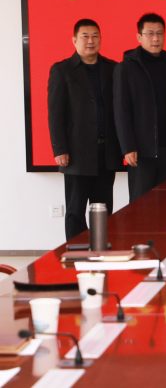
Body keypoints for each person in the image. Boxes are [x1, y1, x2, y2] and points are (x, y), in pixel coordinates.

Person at [47, 19, 120, 240]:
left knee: (103, 209)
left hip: (106, 152)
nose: (90, 41)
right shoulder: (62, 70)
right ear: (74, 40)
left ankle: (101, 249)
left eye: (95, 36)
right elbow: (56, 113)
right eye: (85, 36)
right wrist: (60, 148)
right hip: (76, 154)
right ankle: (76, 253)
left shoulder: (112, 68)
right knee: (75, 211)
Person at [114, 13, 166, 202]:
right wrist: (128, 147)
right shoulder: (126, 68)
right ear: (139, 37)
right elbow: (121, 110)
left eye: (159, 33)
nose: (155, 39)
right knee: (141, 206)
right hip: (141, 151)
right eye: (150, 34)